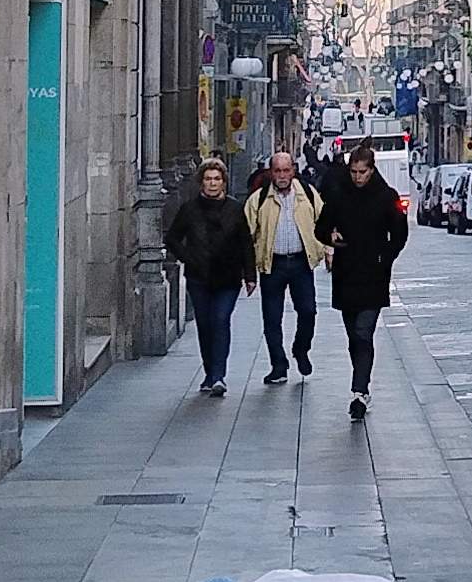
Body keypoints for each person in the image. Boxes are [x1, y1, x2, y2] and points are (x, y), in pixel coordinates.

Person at [319, 145, 413, 423]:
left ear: (372, 170)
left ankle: (359, 391)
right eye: (354, 172)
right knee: (353, 336)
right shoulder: (338, 195)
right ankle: (361, 380)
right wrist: (331, 237)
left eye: (363, 172)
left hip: (373, 274)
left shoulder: (386, 197)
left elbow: (399, 233)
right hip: (347, 272)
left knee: (363, 332)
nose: (358, 177)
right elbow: (321, 226)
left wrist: (386, 258)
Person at [163, 158, 253, 396]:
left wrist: (250, 274)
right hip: (199, 276)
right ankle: (209, 371)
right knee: (205, 324)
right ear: (201, 182)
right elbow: (172, 238)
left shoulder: (235, 209)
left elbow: (245, 243)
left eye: (217, 179)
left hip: (228, 277)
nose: (212, 184)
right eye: (208, 179)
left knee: (221, 320)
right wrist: (187, 257)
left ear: (223, 182)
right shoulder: (189, 209)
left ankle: (218, 376)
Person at [240, 150, 325, 385]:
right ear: (271, 172)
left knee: (308, 311)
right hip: (272, 264)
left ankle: (301, 349)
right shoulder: (258, 199)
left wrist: (327, 249)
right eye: (277, 171)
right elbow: (245, 235)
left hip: (301, 262)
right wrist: (248, 272)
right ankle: (278, 365)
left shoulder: (307, 193)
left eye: (286, 170)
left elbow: (324, 220)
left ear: (293, 171)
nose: (282, 175)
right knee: (272, 319)